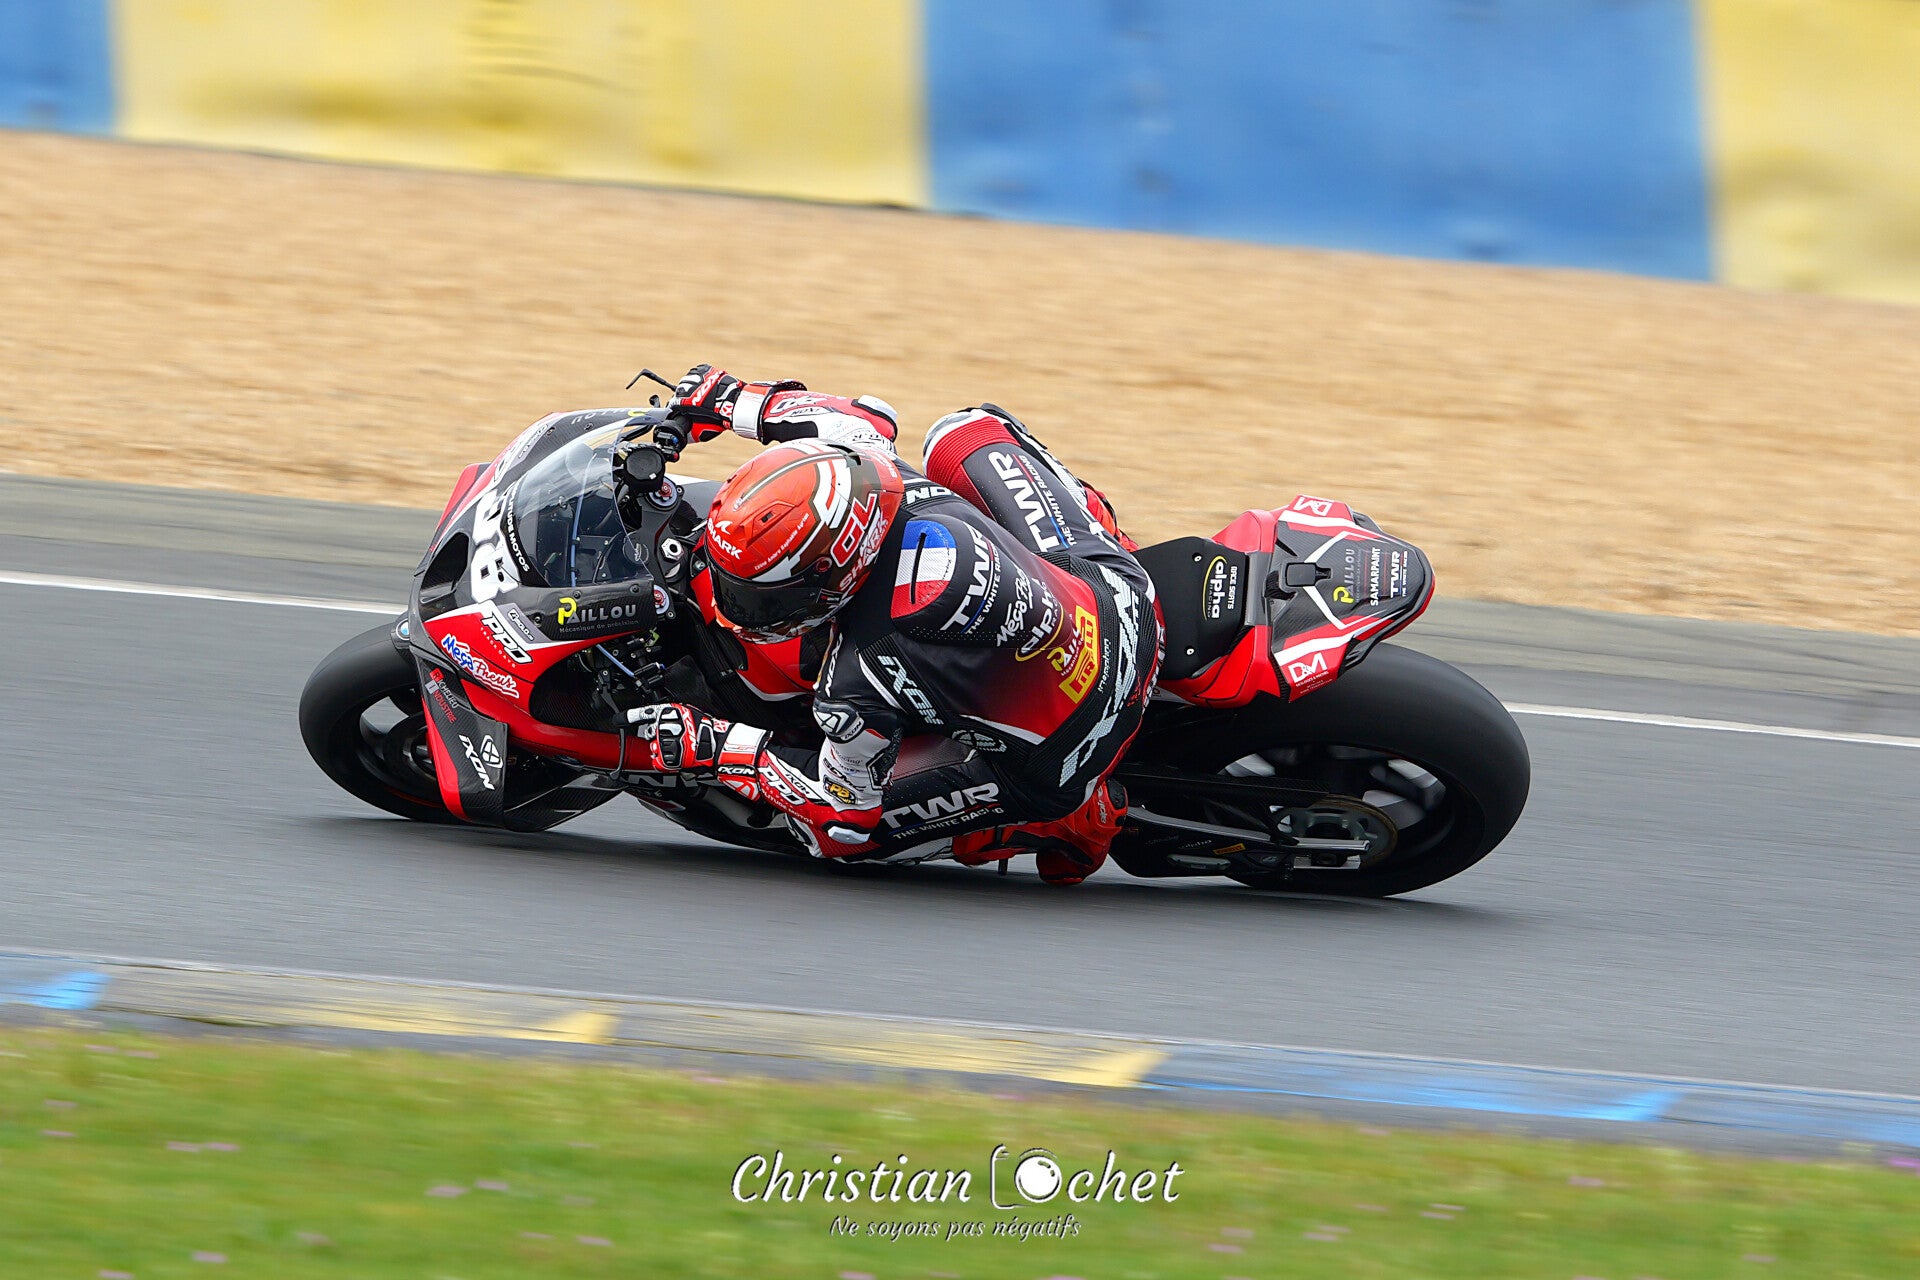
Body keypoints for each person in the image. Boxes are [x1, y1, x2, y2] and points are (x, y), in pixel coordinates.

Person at [627, 364, 1162, 885]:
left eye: (756, 596)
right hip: (1123, 596)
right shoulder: (868, 461)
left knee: (828, 837)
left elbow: (845, 810)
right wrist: (729, 398)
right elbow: (864, 416)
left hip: (1070, 750)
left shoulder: (856, 678)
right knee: (964, 432)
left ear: (834, 573)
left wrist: (719, 747)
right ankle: (1108, 531)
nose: (739, 605)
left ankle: (1064, 826)